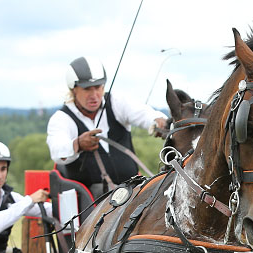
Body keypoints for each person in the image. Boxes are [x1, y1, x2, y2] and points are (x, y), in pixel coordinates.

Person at [46, 56, 168, 196]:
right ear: (74, 90)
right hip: (89, 199)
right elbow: (57, 151)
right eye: (87, 89)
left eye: (98, 87)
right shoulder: (61, 118)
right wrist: (78, 144)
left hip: (132, 189)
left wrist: (158, 121)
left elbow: (143, 113)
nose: (94, 95)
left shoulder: (117, 102)